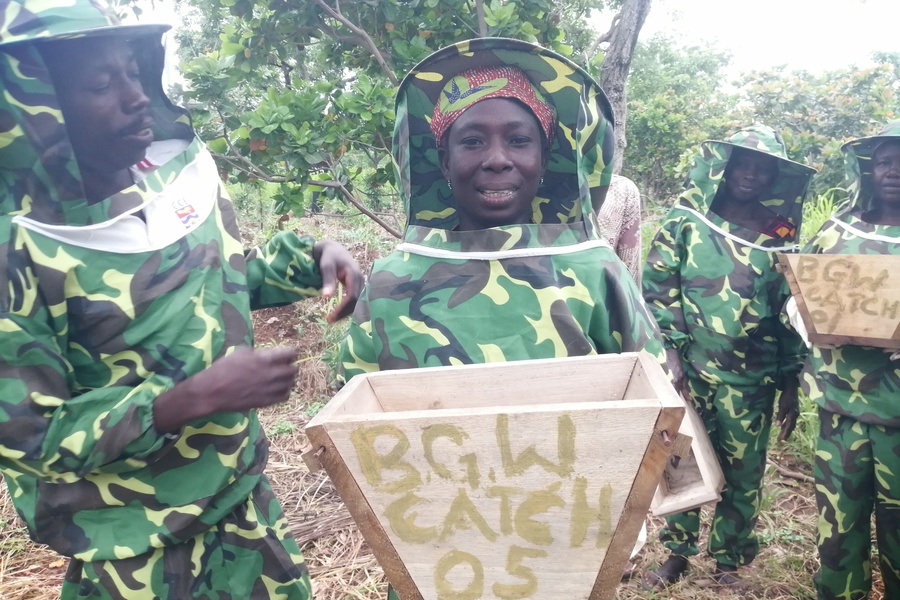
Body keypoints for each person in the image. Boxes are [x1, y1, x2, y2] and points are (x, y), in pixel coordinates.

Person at [0, 2, 363, 598]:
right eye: (100, 83)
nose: (135, 96)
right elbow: (29, 435)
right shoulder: (22, 249)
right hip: (135, 551)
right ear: (33, 109)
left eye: (133, 73)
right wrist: (187, 400)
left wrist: (313, 257)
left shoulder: (167, 184)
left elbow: (221, 275)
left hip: (244, 509)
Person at [338, 38, 669, 598]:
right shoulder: (394, 280)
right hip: (435, 546)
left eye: (520, 140)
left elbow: (651, 391)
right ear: (442, 160)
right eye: (472, 140)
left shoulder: (593, 270)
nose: (497, 158)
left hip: (566, 542)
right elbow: (357, 408)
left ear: (546, 158)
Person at [641, 126, 816, 589]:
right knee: (683, 464)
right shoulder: (686, 219)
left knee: (744, 475)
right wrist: (672, 355)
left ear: (774, 177)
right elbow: (658, 291)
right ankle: (677, 554)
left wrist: (790, 383)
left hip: (752, 382)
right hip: (689, 374)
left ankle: (729, 561)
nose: (751, 174)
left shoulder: (779, 235)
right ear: (725, 165)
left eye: (763, 168)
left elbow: (787, 313)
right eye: (743, 163)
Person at [794, 121, 900, 600]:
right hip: (840, 410)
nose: (894, 171)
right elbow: (798, 292)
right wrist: (810, 317)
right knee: (838, 526)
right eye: (883, 161)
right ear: (868, 169)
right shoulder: (838, 231)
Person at [597, 174, 643, 284]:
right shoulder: (621, 188)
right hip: (599, 293)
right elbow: (630, 270)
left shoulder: (622, 189)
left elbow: (629, 265)